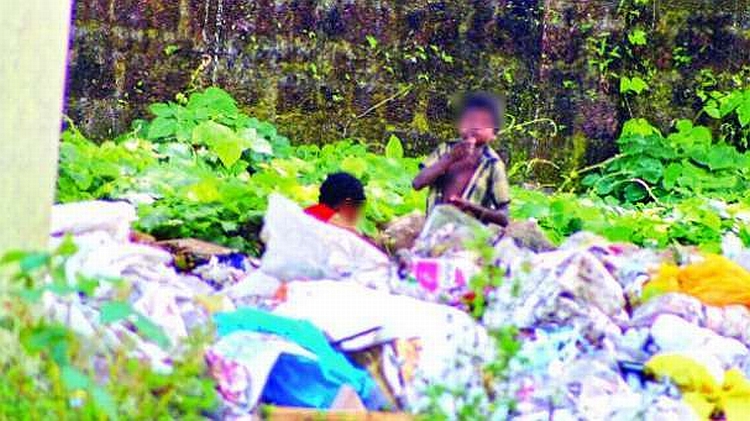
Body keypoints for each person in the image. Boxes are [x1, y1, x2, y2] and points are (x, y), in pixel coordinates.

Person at [412, 92, 510, 226]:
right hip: (433, 227)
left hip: (469, 236)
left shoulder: (493, 164)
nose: (475, 126)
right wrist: (449, 159)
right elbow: (417, 183)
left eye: (484, 122)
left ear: (494, 134)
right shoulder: (445, 149)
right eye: (470, 119)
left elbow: (504, 217)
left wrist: (471, 208)